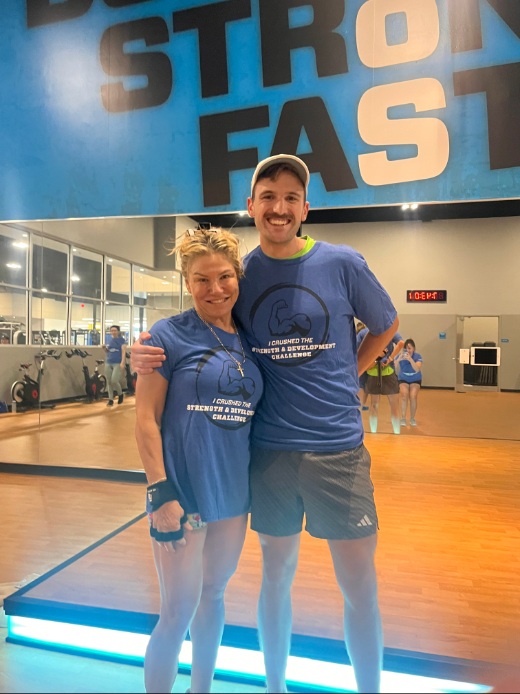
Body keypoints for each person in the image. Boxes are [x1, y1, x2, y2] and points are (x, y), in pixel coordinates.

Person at [131, 154, 399, 694]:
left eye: (291, 198)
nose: (279, 208)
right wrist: (137, 354)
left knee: (359, 588)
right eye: (268, 197)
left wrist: (348, 372)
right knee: (273, 579)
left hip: (337, 450)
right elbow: (194, 330)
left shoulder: (342, 262)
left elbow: (386, 323)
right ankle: (275, 687)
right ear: (251, 206)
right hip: (270, 453)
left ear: (306, 207)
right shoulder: (243, 274)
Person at [134, 227, 263, 694]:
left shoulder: (251, 338)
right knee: (177, 611)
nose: (215, 289)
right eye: (201, 279)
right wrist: (160, 492)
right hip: (182, 493)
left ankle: (200, 689)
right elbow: (145, 420)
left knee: (213, 596)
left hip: (232, 494)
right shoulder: (166, 336)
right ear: (187, 282)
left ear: (238, 276)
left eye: (224, 276)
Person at [364, 334, 405, 434]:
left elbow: (401, 343)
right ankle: (377, 434)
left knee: (385, 405)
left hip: (385, 371)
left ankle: (395, 433)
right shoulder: (371, 332)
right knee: (377, 405)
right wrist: (382, 357)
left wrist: (390, 358)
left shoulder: (387, 331)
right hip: (375, 371)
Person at [395, 338, 423, 426]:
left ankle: (412, 418)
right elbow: (394, 366)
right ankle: (403, 418)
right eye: (406, 348)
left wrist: (410, 359)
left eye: (409, 348)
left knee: (413, 396)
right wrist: (399, 359)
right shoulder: (401, 356)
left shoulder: (417, 356)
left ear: (413, 348)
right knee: (404, 395)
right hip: (403, 378)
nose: (408, 350)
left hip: (415, 378)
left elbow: (417, 368)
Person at [103, 324, 127, 406]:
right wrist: (104, 348)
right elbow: (107, 351)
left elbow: (123, 352)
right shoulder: (109, 340)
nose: (113, 332)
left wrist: (123, 362)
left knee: (114, 380)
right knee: (109, 381)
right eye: (112, 331)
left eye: (115, 330)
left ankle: (120, 394)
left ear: (118, 331)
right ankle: (110, 399)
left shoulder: (122, 340)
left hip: (117, 362)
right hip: (108, 361)